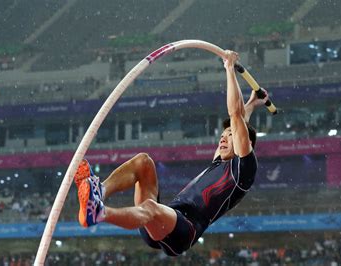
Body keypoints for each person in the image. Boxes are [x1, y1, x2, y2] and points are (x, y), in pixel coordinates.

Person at [74, 50, 269, 256]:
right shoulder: (220, 161)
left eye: (229, 135)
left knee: (150, 207)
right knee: (143, 162)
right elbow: (239, 119)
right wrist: (253, 103)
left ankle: (99, 213)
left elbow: (236, 116)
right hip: (166, 218)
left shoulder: (243, 169)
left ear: (244, 142)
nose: (222, 138)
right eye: (223, 134)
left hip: (185, 229)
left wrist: (229, 68)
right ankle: (99, 193)